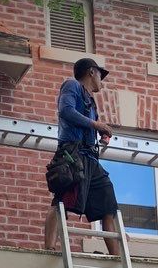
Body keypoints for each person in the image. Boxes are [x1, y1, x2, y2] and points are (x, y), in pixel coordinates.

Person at [44, 57, 121, 253]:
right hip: (72, 154)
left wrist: (102, 133)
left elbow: (88, 124)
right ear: (91, 72)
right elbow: (66, 111)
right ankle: (50, 247)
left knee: (109, 204)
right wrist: (95, 124)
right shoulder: (72, 86)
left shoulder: (91, 103)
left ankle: (115, 255)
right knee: (61, 200)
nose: (101, 81)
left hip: (90, 159)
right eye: (100, 75)